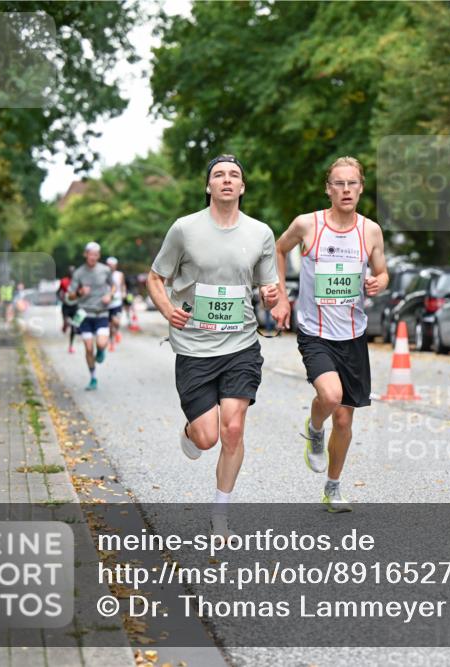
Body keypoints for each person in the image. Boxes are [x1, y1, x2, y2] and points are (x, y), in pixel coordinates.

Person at [148, 154, 279, 535]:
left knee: (233, 429)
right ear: (208, 186)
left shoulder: (260, 233)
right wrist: (167, 310)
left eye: (234, 175)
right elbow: (156, 278)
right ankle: (190, 432)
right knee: (207, 436)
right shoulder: (184, 230)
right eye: (218, 175)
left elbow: (267, 286)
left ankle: (220, 512)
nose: (226, 180)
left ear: (242, 188)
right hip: (194, 347)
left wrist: (272, 296)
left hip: (240, 345)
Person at [271, 156, 389, 513]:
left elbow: (383, 273)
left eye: (352, 183)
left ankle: (333, 488)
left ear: (361, 187)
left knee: (345, 418)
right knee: (331, 396)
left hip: (353, 334)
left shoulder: (370, 230)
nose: (346, 189)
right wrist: (281, 296)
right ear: (328, 188)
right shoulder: (308, 225)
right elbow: (278, 249)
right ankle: (314, 427)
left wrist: (376, 282)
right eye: (339, 183)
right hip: (314, 330)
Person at [66, 243, 115, 390]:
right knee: (88, 349)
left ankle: (101, 351)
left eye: (95, 254)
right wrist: (80, 292)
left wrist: (109, 295)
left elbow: (113, 286)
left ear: (98, 256)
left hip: (101, 313)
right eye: (90, 254)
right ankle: (93, 378)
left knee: (100, 344)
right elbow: (70, 295)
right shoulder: (79, 273)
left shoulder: (105, 270)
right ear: (85, 254)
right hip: (85, 314)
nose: (92, 257)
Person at [105, 257, 127, 351]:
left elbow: (123, 285)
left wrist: (124, 293)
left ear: (115, 266)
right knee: (109, 326)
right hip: (107, 303)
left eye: (112, 265)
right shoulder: (104, 274)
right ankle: (112, 343)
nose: (110, 267)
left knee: (116, 322)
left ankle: (117, 331)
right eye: (109, 265)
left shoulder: (120, 274)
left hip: (117, 301)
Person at [57, 265, 77, 353]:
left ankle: (71, 346)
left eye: (73, 271)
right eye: (70, 271)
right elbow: (58, 292)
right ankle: (65, 325)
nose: (71, 273)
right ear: (68, 272)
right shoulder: (63, 281)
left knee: (74, 327)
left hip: (75, 306)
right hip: (66, 305)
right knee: (66, 322)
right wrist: (62, 299)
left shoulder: (78, 281)